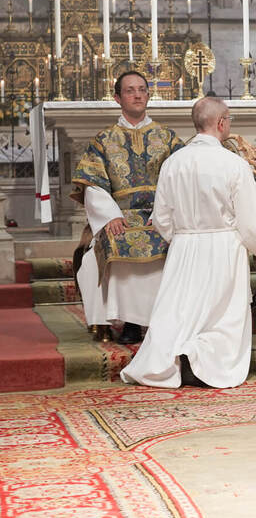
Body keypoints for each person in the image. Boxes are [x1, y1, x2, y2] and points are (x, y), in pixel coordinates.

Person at [121, 98, 256, 388]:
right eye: (229, 120)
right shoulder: (233, 164)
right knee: (220, 315)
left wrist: (184, 239)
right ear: (222, 123)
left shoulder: (173, 162)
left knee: (181, 311)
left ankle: (177, 360)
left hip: (184, 248)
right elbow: (251, 224)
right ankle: (207, 366)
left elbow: (161, 218)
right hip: (223, 247)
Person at [73, 72, 183, 344]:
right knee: (118, 242)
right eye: (130, 90)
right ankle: (132, 322)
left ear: (148, 95)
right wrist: (110, 216)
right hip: (120, 216)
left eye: (142, 90)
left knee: (176, 244)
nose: (137, 95)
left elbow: (182, 178)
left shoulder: (167, 137)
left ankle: (164, 320)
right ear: (117, 98)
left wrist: (163, 213)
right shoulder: (104, 139)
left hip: (161, 214)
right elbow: (93, 184)